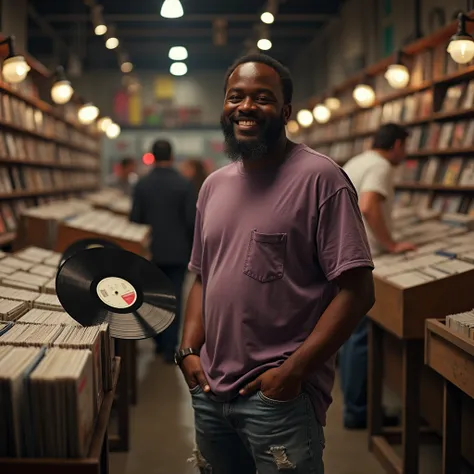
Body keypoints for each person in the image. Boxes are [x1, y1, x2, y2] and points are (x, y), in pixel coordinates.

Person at [176, 53, 375, 474]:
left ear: (286, 111)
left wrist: (292, 372)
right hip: (211, 391)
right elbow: (201, 277)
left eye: (262, 98)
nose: (246, 107)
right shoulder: (214, 186)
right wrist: (189, 351)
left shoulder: (322, 180)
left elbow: (358, 292)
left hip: (278, 398)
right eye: (236, 97)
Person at [339, 123, 416, 430]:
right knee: (359, 337)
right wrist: (392, 244)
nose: (406, 153)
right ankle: (357, 411)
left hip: (344, 257)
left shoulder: (358, 160)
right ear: (396, 145)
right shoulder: (381, 165)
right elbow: (368, 207)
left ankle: (354, 405)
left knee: (350, 335)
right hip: (363, 260)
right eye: (405, 147)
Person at [130, 140, 197, 363]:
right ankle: (170, 348)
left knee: (151, 298)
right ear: (172, 155)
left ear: (152, 156)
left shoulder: (142, 184)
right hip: (178, 253)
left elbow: (135, 220)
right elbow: (191, 221)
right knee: (174, 298)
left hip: (150, 253)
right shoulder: (184, 184)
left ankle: (158, 341)